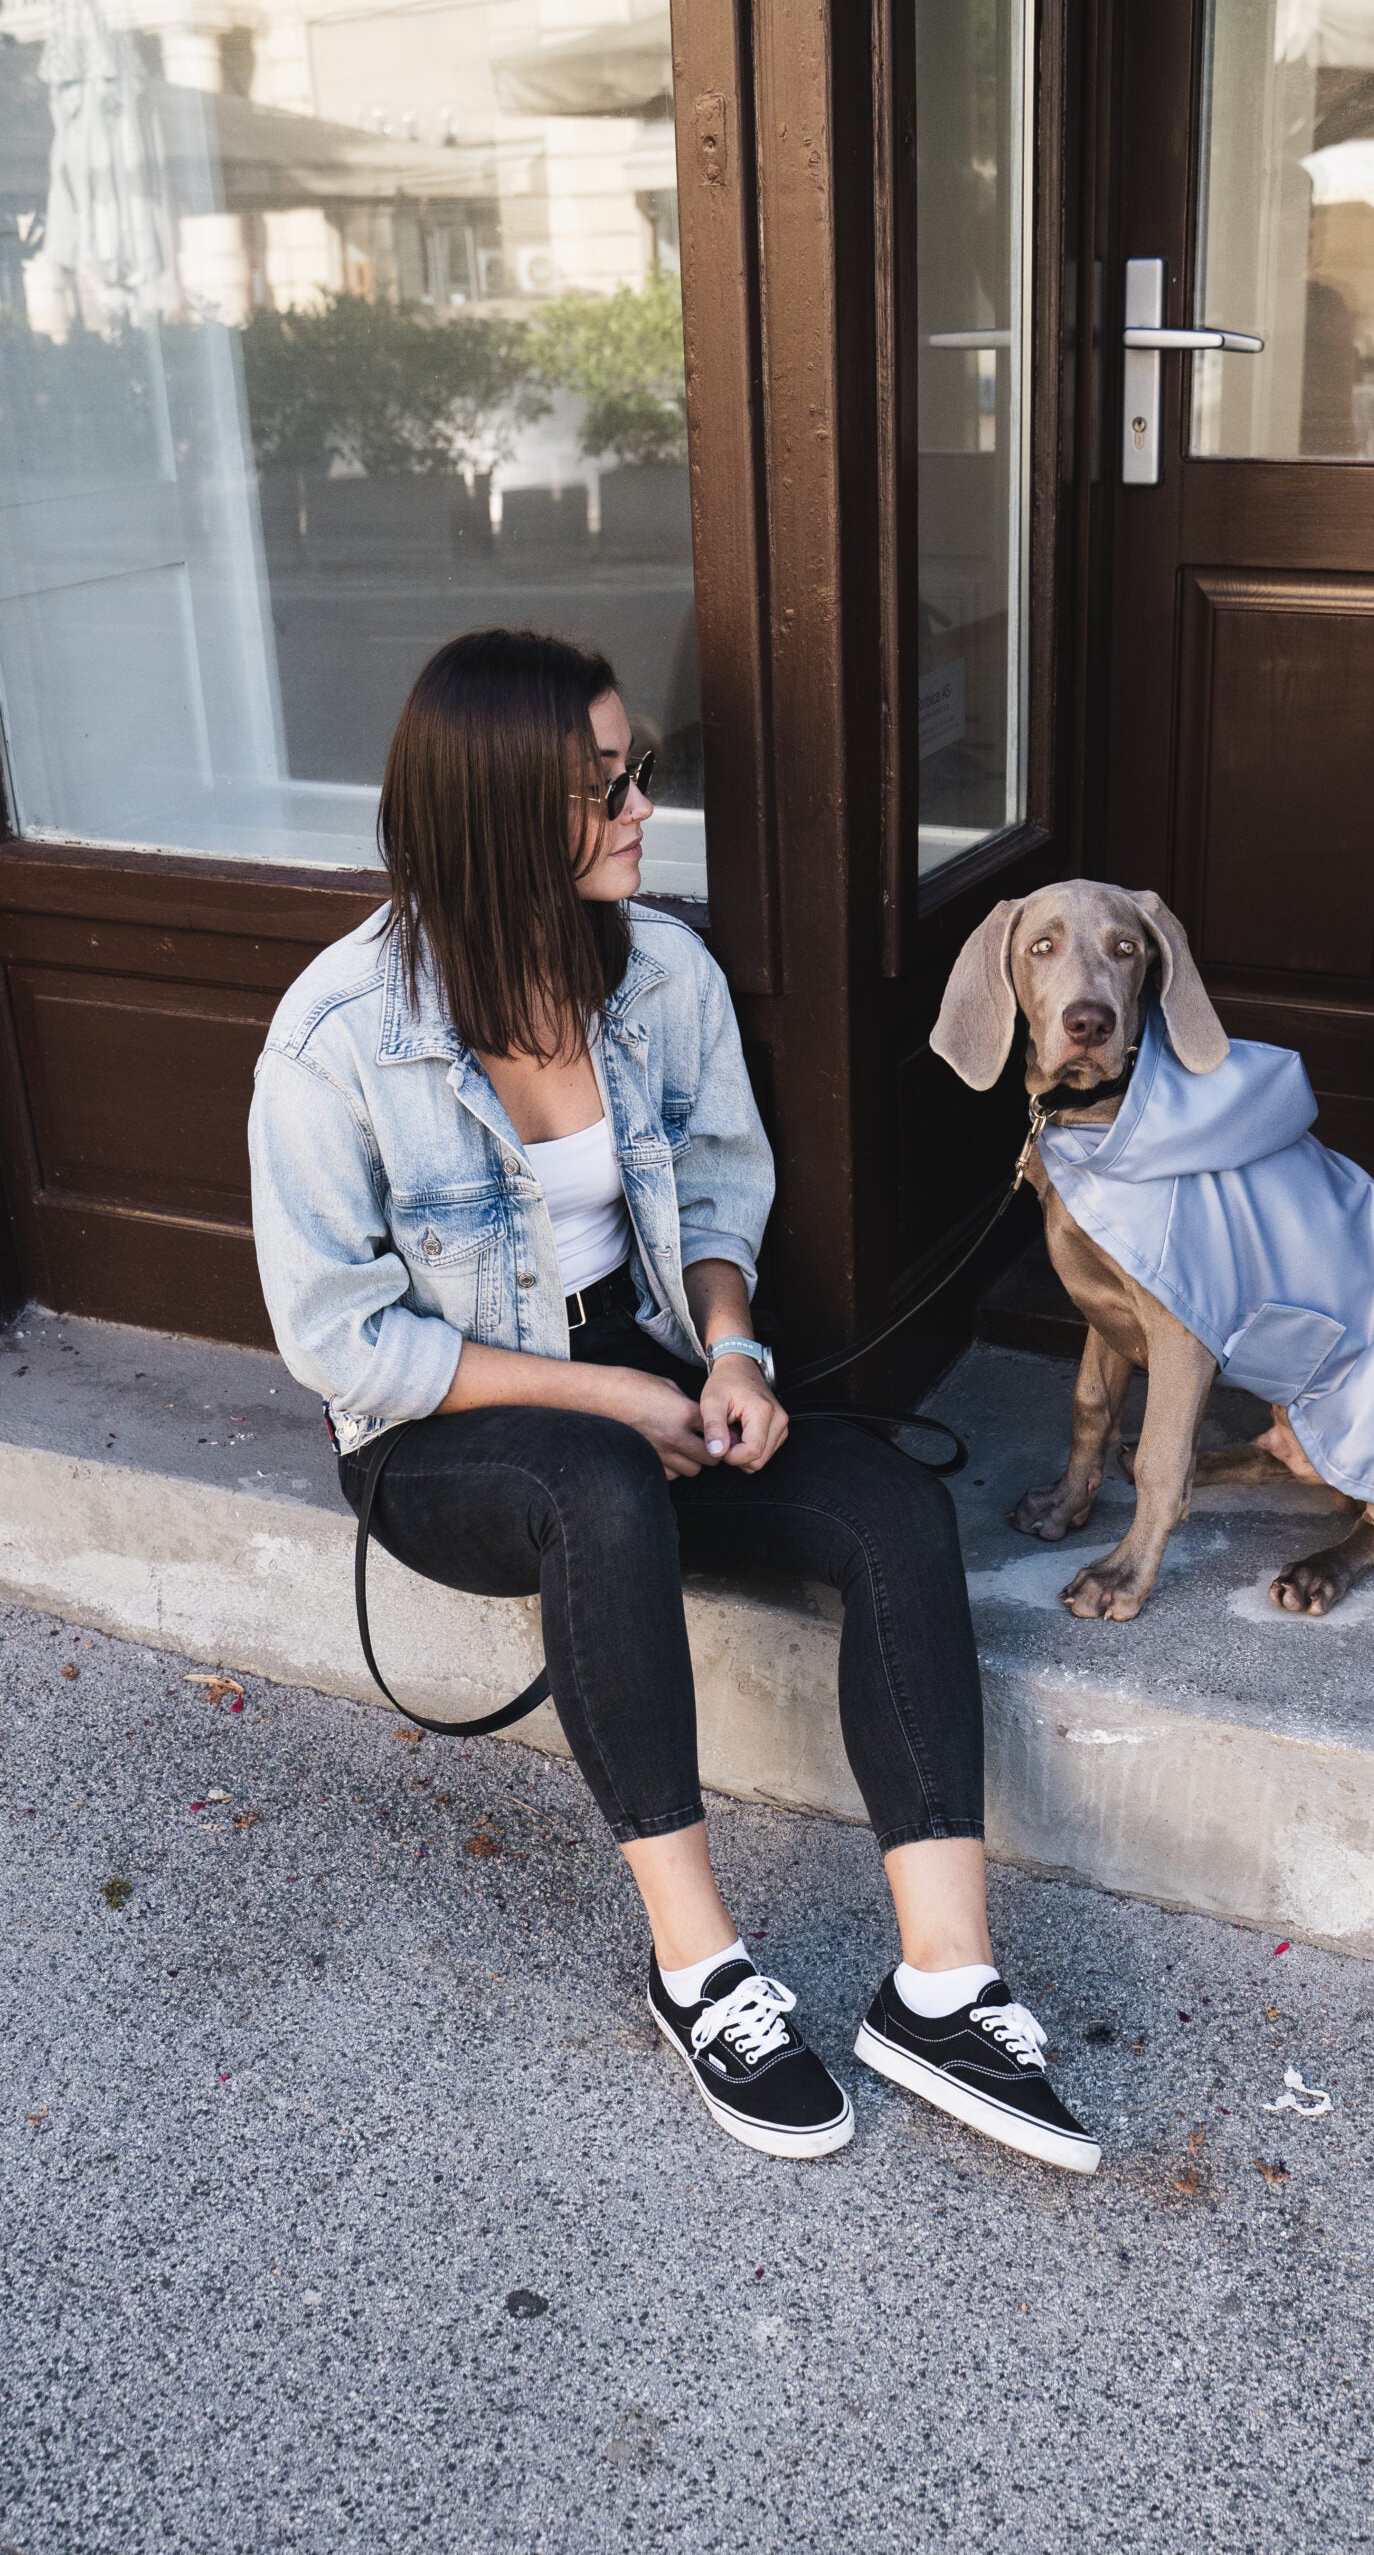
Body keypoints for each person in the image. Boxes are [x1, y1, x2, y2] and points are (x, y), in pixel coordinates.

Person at [248, 628, 1098, 2173]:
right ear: (503, 811)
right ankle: (699, 1967)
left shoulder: (660, 974)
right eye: (604, 785)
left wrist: (725, 1355)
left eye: (637, 768)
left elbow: (719, 1188)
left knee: (888, 1504)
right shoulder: (334, 1038)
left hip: (638, 1373)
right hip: (441, 1439)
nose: (645, 803)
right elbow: (343, 1342)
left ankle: (944, 1986)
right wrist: (611, 1404)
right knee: (600, 1484)